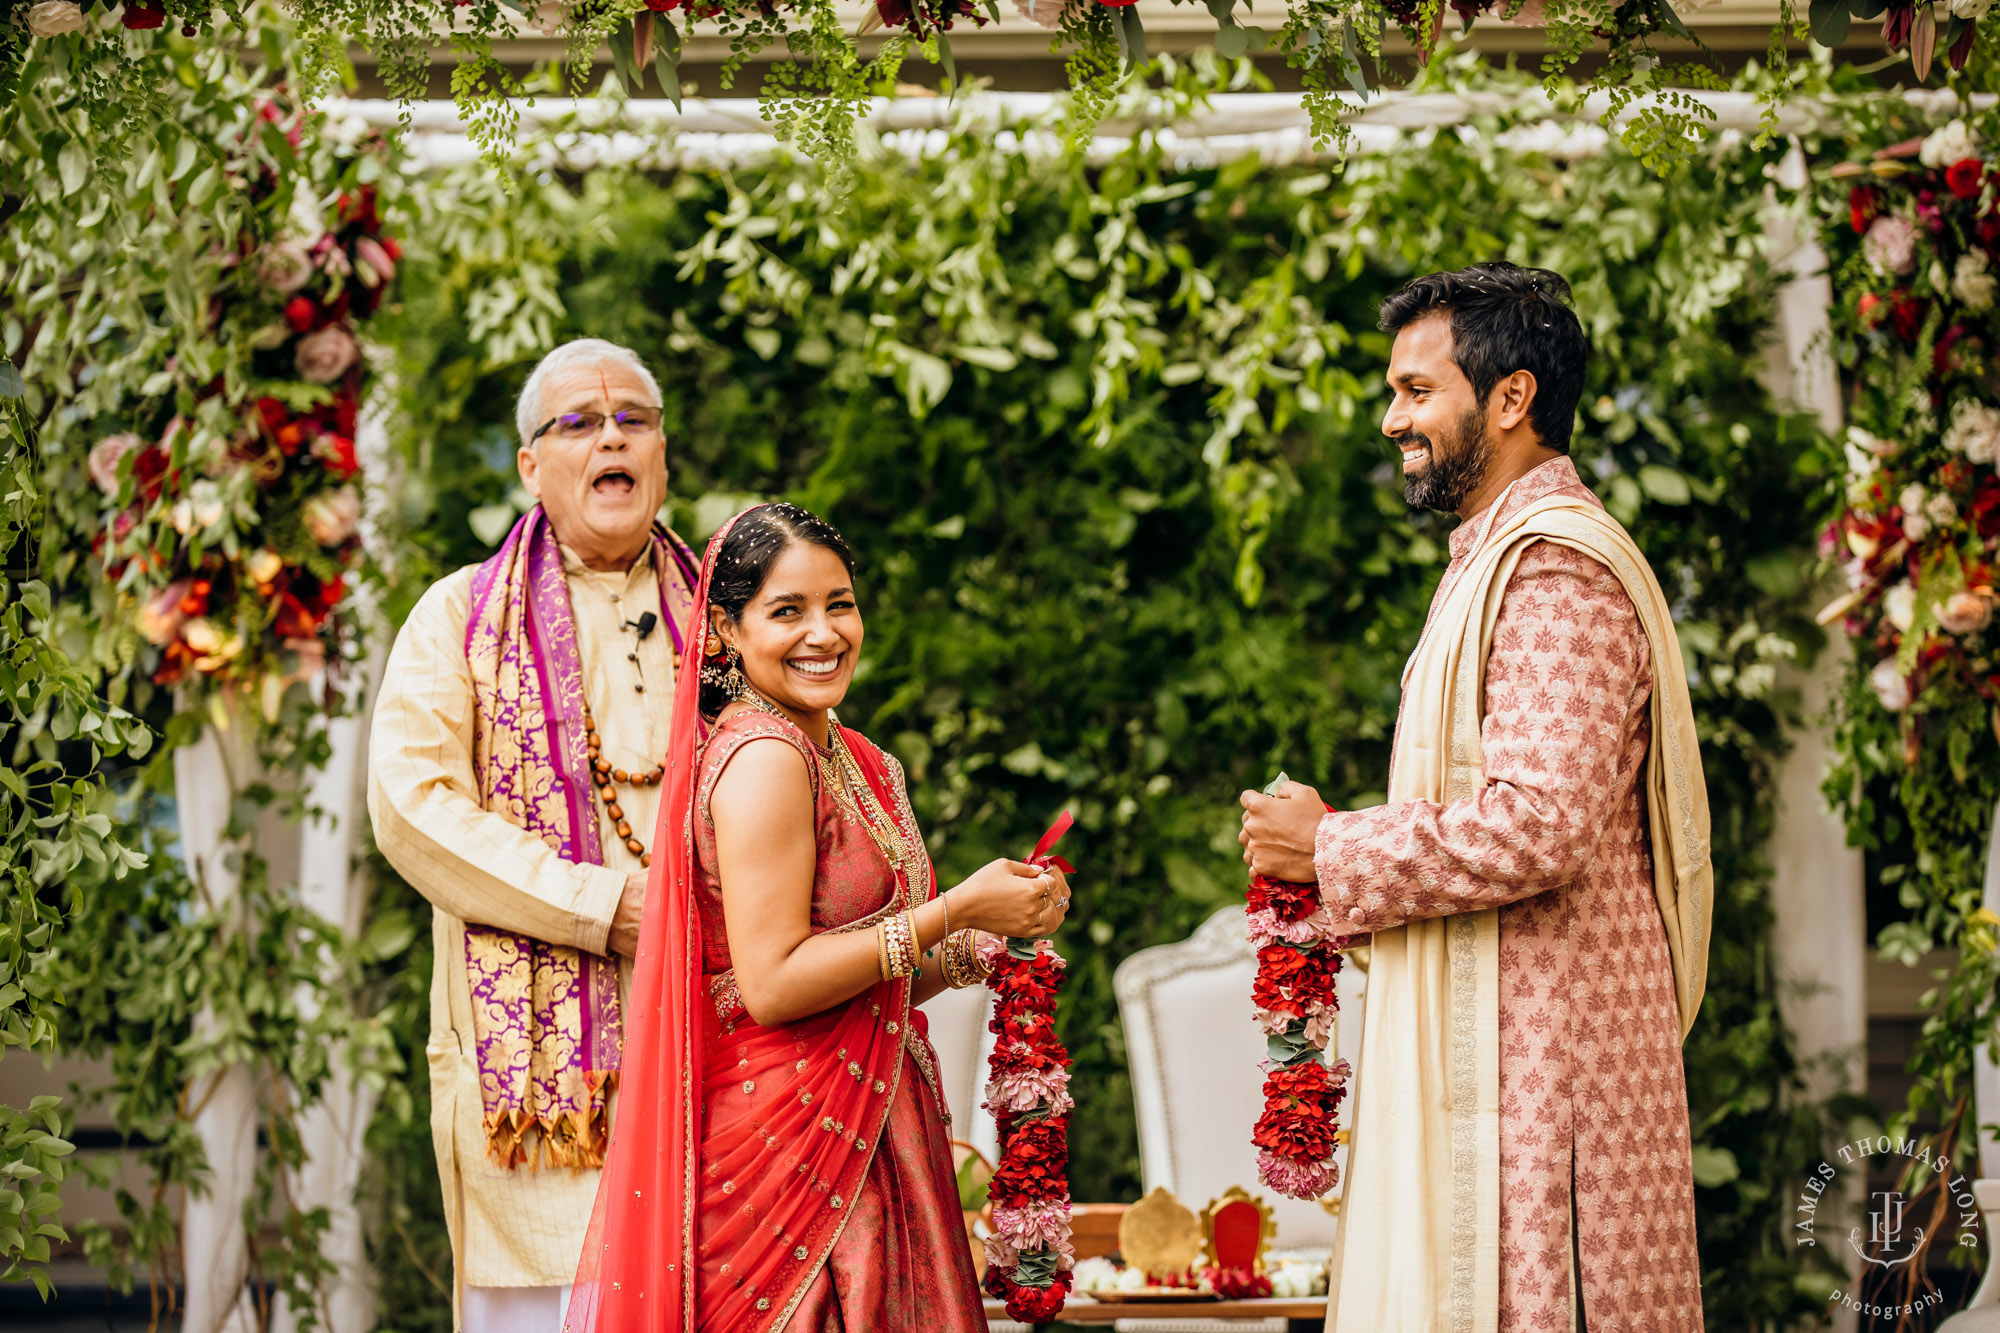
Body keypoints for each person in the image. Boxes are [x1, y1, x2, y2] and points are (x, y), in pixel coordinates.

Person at [1237, 263, 1711, 1333]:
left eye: (1416, 390)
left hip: (1547, 1067)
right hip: (1512, 1043)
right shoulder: (1494, 556)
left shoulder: (1553, 571)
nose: (1390, 417)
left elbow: (1539, 822)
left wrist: (1331, 847)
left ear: (1510, 399)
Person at [565, 501, 1070, 1333]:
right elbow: (772, 985)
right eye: (787, 611)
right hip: (788, 1157)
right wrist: (953, 911)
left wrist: (985, 939)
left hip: (875, 1127)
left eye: (839, 603)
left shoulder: (855, 755)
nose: (823, 633)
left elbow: (874, 975)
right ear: (725, 629)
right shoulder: (764, 758)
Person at [368, 337, 702, 1331]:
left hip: (719, 1030)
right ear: (530, 465)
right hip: (547, 1100)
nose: (611, 437)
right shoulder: (459, 617)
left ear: (661, 454)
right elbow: (412, 805)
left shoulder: (732, 613)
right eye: (579, 422)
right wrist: (604, 908)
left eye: (631, 419)